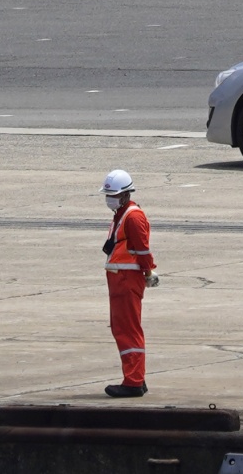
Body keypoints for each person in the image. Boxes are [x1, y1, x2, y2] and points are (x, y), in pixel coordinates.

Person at [101, 169, 157, 398]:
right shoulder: (122, 214)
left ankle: (133, 381)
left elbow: (142, 249)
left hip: (126, 280)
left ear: (125, 194)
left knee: (127, 329)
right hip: (119, 279)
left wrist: (148, 271)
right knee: (121, 328)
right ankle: (136, 378)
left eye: (113, 194)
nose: (109, 198)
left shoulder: (132, 216)